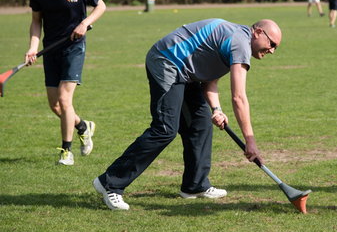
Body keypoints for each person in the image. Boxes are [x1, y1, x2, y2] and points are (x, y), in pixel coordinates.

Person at [93, 18, 282, 211]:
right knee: (164, 129)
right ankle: (110, 182)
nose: (272, 50)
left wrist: (216, 109)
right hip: (167, 61)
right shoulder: (240, 43)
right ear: (258, 32)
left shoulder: (235, 40)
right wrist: (250, 140)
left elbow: (210, 80)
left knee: (200, 125)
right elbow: (239, 98)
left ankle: (195, 185)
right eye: (272, 44)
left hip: (187, 73)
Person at [26, 0, 106, 166]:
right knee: (55, 106)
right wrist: (33, 47)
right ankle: (82, 126)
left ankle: (66, 151)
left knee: (64, 98)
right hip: (50, 49)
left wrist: (84, 23)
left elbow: (100, 6)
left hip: (74, 47)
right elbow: (36, 22)